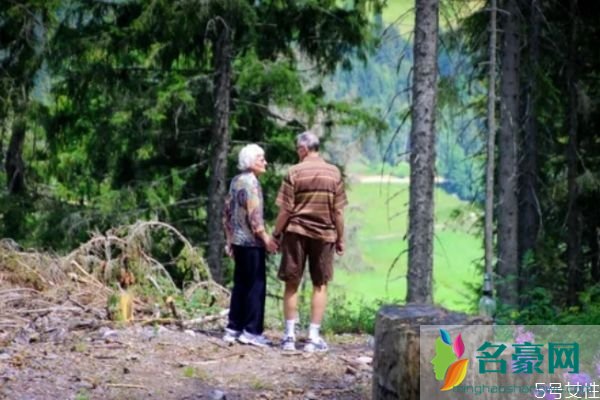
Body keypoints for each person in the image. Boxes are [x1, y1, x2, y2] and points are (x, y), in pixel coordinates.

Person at [272, 131, 347, 352]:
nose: (297, 153)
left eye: (298, 149)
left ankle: (289, 337)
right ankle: (313, 338)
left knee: (291, 283)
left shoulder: (294, 172)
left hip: (295, 232)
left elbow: (286, 210)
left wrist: (276, 234)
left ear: (304, 149)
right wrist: (340, 238)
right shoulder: (334, 173)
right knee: (320, 285)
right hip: (324, 235)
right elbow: (338, 212)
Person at [222, 144, 278, 347]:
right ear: (250, 161)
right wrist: (267, 239)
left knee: (240, 285)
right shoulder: (252, 183)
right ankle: (251, 331)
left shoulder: (236, 181)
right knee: (256, 286)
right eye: (261, 159)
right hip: (252, 243)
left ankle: (234, 327)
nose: (265, 162)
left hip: (238, 241)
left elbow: (227, 212)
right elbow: (255, 218)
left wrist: (229, 239)